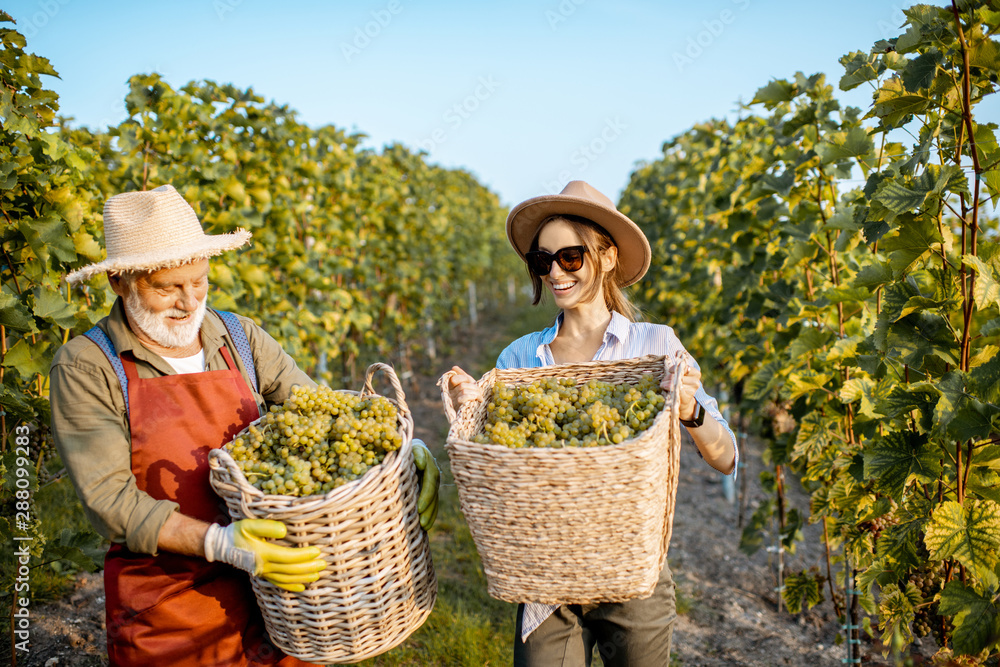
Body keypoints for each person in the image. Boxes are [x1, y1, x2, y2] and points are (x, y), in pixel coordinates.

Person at [51, 184, 439, 666]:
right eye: (165, 287)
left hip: (276, 596)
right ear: (118, 282)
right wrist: (220, 543)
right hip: (168, 610)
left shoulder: (238, 337)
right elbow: (108, 500)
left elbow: (324, 412)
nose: (188, 301)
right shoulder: (89, 366)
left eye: (198, 281)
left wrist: (400, 447)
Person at [446, 180, 738, 667]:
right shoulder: (519, 357)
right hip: (542, 571)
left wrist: (690, 410)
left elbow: (727, 457)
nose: (556, 272)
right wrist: (473, 410)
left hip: (632, 570)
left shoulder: (655, 346)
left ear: (605, 257)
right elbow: (498, 466)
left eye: (571, 257)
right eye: (543, 261)